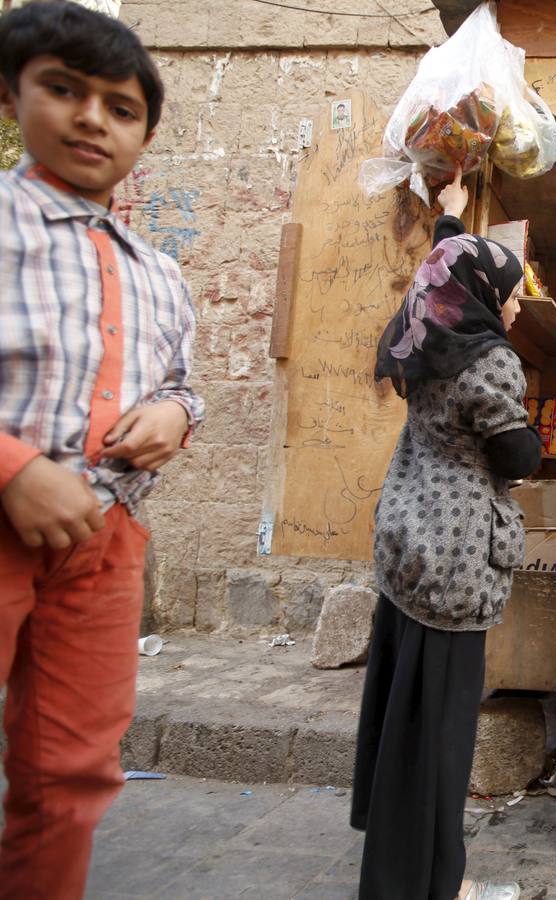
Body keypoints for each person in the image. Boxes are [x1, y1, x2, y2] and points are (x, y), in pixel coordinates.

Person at [0, 3, 205, 895]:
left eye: (121, 108)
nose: (92, 120)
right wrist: (13, 468)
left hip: (103, 543)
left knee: (72, 770)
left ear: (144, 136)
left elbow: (183, 383)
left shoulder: (159, 272)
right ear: (11, 96)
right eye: (64, 90)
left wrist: (176, 417)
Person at [351, 169, 540, 900]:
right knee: (440, 736)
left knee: (404, 718)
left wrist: (452, 218)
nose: (516, 305)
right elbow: (515, 455)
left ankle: (401, 871)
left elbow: (443, 270)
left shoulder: (426, 330)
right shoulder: (490, 358)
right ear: (485, 295)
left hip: (408, 541)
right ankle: (434, 887)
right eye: (512, 292)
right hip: (456, 560)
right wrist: (533, 437)